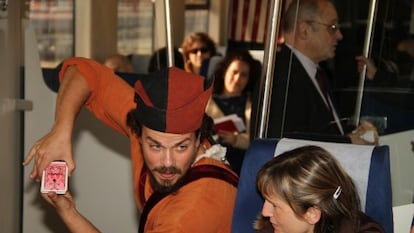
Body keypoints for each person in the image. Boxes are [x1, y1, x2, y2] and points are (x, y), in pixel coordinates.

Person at [23, 58, 238, 233]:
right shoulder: (148, 125)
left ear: (200, 138)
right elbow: (82, 70)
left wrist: (69, 215)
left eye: (181, 147)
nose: (167, 162)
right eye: (155, 146)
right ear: (138, 132)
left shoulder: (197, 209)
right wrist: (60, 131)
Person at [251, 0, 378, 145]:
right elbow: (285, 142)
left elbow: (320, 129)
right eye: (332, 27)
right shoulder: (281, 77)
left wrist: (354, 132)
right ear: (304, 30)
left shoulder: (316, 73)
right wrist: (348, 141)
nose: (339, 35)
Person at [254, 145, 385, 233]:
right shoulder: (273, 227)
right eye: (266, 200)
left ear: (311, 214)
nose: (265, 212)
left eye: (275, 205)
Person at [205, 49, 261, 174]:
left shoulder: (254, 104)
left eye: (244, 75)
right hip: (212, 165)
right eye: (234, 72)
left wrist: (236, 140)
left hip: (243, 166)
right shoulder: (205, 101)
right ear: (225, 72)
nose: (237, 78)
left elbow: (258, 140)